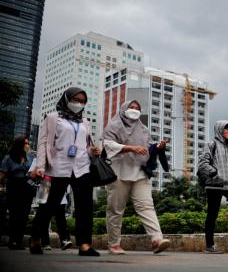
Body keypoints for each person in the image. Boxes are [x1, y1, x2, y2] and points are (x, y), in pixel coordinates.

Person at [30, 87, 101, 256]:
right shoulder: (53, 118)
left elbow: (86, 146)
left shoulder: (85, 122)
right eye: (75, 99)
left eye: (82, 101)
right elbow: (43, 143)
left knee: (85, 208)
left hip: (82, 168)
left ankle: (84, 245)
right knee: (49, 205)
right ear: (66, 99)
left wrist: (93, 151)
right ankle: (35, 239)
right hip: (57, 167)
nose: (79, 104)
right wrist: (40, 166)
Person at [103, 100, 170, 255]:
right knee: (115, 209)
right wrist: (129, 148)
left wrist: (158, 147)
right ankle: (114, 245)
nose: (134, 110)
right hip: (118, 172)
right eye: (131, 108)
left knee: (146, 205)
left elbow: (149, 148)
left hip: (140, 171)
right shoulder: (113, 126)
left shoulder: (144, 129)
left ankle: (157, 239)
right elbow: (108, 145)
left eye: (137, 108)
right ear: (124, 109)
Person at [198, 120, 228, 254]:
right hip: (215, 184)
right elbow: (202, 163)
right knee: (212, 214)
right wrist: (213, 172)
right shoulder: (211, 144)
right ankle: (209, 245)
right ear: (220, 130)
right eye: (226, 130)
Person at [0, 136, 35, 250]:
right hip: (14, 186)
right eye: (25, 143)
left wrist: (35, 174)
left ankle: (18, 241)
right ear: (19, 145)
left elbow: (34, 173)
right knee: (14, 214)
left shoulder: (30, 157)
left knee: (24, 215)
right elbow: (2, 174)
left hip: (28, 187)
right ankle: (13, 241)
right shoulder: (8, 158)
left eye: (28, 143)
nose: (28, 145)